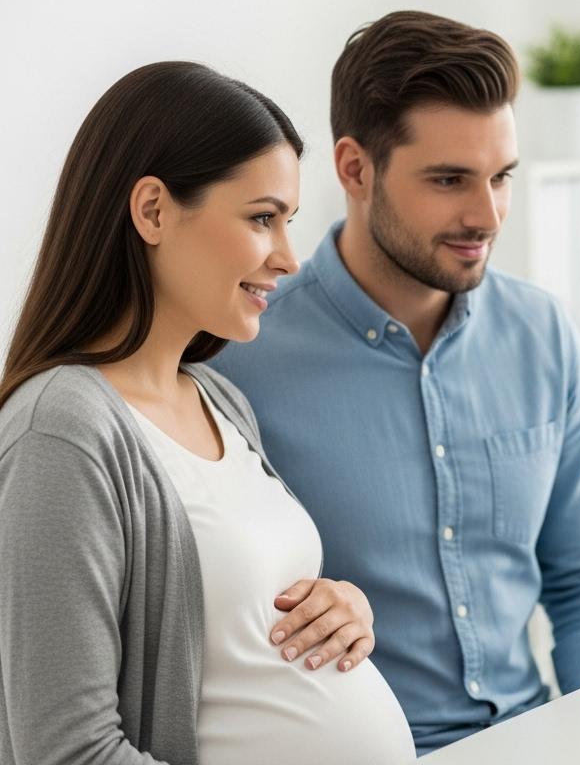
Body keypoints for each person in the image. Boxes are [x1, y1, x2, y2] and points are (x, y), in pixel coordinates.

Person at [207, 11, 580, 753]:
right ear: (355, 169)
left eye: (501, 177)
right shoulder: (236, 358)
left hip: (538, 736)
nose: (486, 215)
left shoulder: (542, 335)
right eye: (449, 180)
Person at [0, 62, 415, 764]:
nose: (287, 256)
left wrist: (340, 608)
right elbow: (69, 751)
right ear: (154, 210)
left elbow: (238, 635)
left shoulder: (220, 400)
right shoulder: (62, 433)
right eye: (261, 219)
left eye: (288, 223)